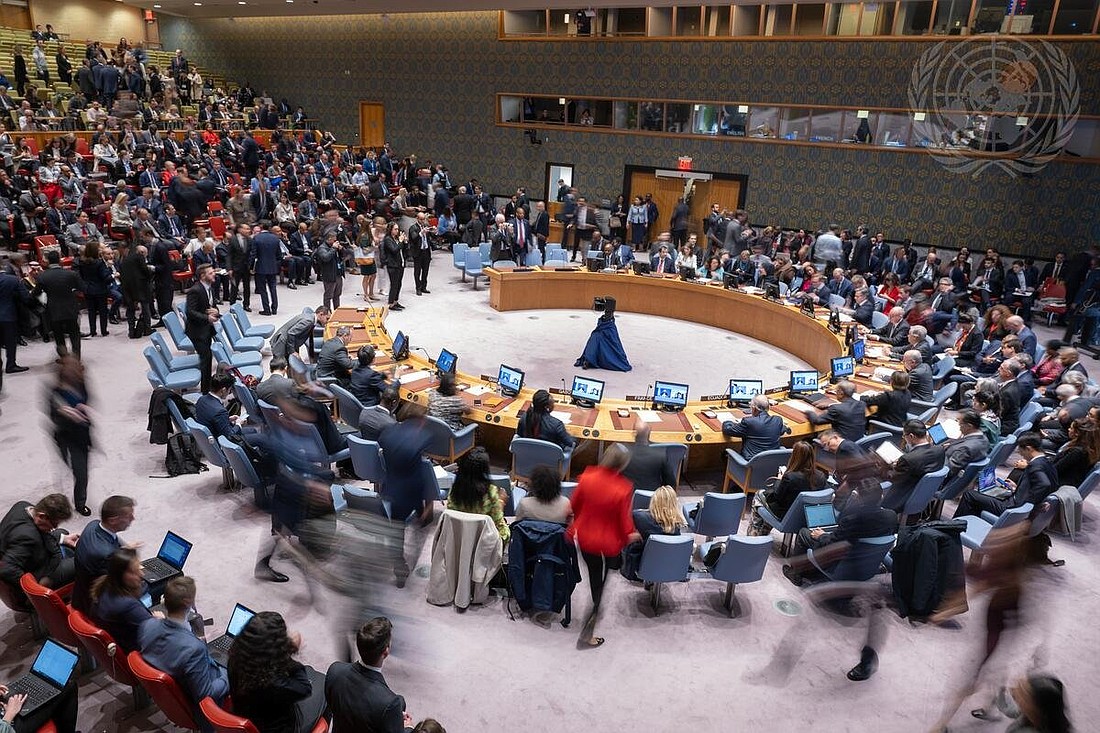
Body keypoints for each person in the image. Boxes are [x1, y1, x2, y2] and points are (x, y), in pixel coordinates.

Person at [566, 447, 639, 648]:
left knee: (595, 580)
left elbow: (574, 506)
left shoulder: (587, 476)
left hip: (586, 540)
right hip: (608, 545)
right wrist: (632, 535)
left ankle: (594, 607)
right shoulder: (623, 488)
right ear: (623, 464)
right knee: (601, 587)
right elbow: (623, 522)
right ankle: (588, 632)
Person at [227, 611, 328, 733]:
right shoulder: (273, 682)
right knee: (327, 683)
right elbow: (304, 688)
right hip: (275, 728)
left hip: (245, 714)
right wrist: (289, 650)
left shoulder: (235, 657)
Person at [139, 576, 228, 713]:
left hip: (167, 695)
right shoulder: (194, 649)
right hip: (194, 707)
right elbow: (206, 694)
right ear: (188, 603)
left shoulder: (148, 625)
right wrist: (228, 675)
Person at [782, 480, 898, 586]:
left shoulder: (852, 520)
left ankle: (795, 573)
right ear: (881, 496)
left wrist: (821, 535)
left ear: (858, 498)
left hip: (840, 563)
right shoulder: (892, 516)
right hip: (865, 565)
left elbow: (832, 545)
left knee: (804, 533)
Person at [325, 617, 414, 732]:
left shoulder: (335, 671)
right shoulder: (389, 703)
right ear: (386, 652)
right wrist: (408, 728)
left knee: (400, 702)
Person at [954, 433, 1057, 519]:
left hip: (1011, 506)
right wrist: (1019, 489)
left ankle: (952, 529)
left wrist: (1028, 501)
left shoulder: (1034, 465)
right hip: (1015, 500)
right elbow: (1053, 484)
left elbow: (1045, 484)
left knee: (969, 495)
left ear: (1028, 449)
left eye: (1020, 450)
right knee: (984, 494)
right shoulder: (1047, 462)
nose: (1019, 453)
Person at [0, 493, 78, 602]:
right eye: (54, 523)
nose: (54, 527)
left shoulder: (22, 506)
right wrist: (35, 586)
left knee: (62, 532)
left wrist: (63, 538)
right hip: (42, 572)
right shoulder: (28, 537)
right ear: (42, 516)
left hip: (34, 555)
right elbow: (6, 569)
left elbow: (37, 534)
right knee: (83, 560)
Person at [72, 495, 136, 614]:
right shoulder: (107, 555)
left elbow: (114, 539)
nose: (133, 518)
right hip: (95, 607)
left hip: (79, 593)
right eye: (128, 516)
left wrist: (126, 548)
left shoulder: (93, 525)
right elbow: (120, 587)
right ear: (112, 520)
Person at [48, 355, 93, 516]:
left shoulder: (81, 384)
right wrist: (64, 413)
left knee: (81, 473)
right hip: (64, 435)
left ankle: (80, 503)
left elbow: (88, 399)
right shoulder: (54, 391)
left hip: (80, 437)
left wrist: (82, 408)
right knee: (67, 465)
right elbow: (52, 415)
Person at [90, 547, 155, 653]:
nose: (142, 574)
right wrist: (161, 620)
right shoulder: (128, 606)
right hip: (139, 652)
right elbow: (158, 632)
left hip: (121, 639)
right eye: (134, 571)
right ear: (121, 576)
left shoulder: (104, 586)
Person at [621, 485, 686, 581]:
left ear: (654, 501)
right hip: (669, 567)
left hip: (642, 566)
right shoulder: (676, 525)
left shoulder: (638, 516)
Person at [446, 447, 510, 543]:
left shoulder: (454, 490)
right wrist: (501, 502)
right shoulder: (490, 492)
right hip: (482, 543)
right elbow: (502, 532)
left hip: (459, 540)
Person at [881, 420, 946, 513]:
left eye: (904, 436)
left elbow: (892, 478)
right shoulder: (939, 449)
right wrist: (900, 465)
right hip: (925, 493)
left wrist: (886, 467)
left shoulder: (908, 459)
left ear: (911, 436)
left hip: (902, 498)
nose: (904, 438)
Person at [755, 441, 827, 522]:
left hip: (787, 516)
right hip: (808, 516)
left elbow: (777, 497)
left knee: (758, 495)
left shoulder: (790, 477)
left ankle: (757, 532)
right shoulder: (821, 475)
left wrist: (779, 479)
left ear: (795, 456)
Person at [31, 249, 83, 358]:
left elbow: (36, 293)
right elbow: (82, 288)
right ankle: (77, 359)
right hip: (70, 308)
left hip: (53, 309)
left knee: (58, 336)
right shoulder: (71, 274)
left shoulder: (42, 276)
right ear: (60, 260)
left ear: (48, 261)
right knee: (74, 334)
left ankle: (64, 359)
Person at [185, 263, 220, 393]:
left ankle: (207, 387)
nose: (214, 274)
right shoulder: (195, 290)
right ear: (202, 276)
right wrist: (207, 318)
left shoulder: (210, 287)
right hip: (197, 331)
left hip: (206, 329)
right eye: (210, 273)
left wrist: (216, 312)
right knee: (206, 359)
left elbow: (212, 307)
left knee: (208, 358)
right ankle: (205, 392)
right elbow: (190, 312)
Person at [721, 394, 786, 459]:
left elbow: (727, 430)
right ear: (768, 407)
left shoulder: (749, 422)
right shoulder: (778, 420)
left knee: (725, 454)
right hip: (772, 463)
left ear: (754, 408)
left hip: (751, 464)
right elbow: (782, 431)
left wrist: (729, 422)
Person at [620, 422, 675, 491]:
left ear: (634, 433)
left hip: (627, 497)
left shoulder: (623, 453)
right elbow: (670, 483)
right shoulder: (660, 455)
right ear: (649, 432)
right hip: (653, 498)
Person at [77, 241, 112, 337]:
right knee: (102, 311)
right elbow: (105, 277)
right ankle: (104, 330)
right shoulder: (99, 263)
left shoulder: (82, 262)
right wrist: (110, 271)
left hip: (88, 289)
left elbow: (82, 276)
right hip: (100, 289)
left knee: (91, 311)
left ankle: (93, 331)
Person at [944, 410, 991, 482]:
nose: (958, 425)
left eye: (959, 422)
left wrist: (939, 453)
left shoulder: (966, 449)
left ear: (969, 426)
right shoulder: (984, 439)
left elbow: (948, 470)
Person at [380, 221, 405, 311]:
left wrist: (404, 242)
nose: (397, 231)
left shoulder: (396, 238)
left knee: (399, 284)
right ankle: (391, 303)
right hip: (393, 265)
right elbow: (394, 250)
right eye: (395, 229)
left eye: (398, 229)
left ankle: (395, 301)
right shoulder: (388, 239)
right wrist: (401, 242)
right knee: (394, 284)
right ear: (390, 230)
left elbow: (402, 249)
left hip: (400, 263)